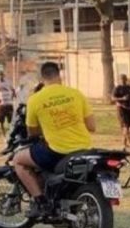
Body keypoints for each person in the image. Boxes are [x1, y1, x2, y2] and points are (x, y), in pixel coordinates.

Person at [13, 62, 96, 218]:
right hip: (84, 148)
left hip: (57, 151)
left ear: (42, 78)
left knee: (18, 160)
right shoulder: (76, 94)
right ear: (59, 75)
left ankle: (40, 202)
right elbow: (92, 126)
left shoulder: (35, 99)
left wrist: (48, 129)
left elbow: (32, 131)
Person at [113, 74, 130, 149]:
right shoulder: (117, 88)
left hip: (129, 108)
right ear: (119, 80)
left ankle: (125, 143)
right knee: (125, 126)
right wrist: (122, 98)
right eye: (121, 79)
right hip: (121, 108)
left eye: (124, 78)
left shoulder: (129, 87)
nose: (123, 80)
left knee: (128, 127)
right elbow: (113, 98)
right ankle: (128, 142)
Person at [0, 71, 16, 139]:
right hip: (1, 104)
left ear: (4, 76)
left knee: (11, 120)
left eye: (2, 75)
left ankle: (11, 133)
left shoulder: (8, 81)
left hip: (9, 103)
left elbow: (12, 89)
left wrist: (13, 95)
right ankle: (3, 134)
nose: (1, 76)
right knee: (1, 121)